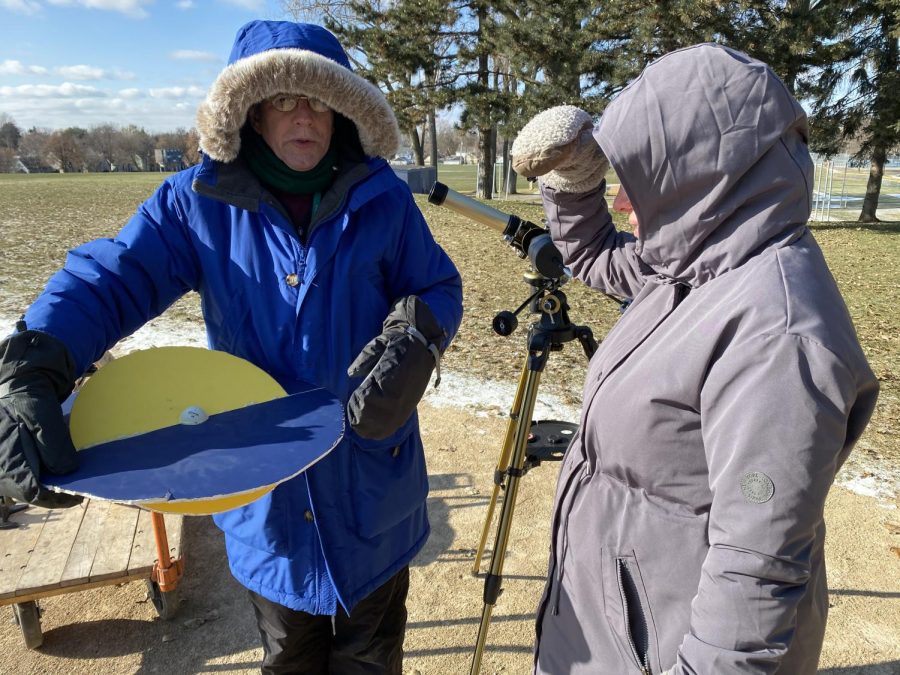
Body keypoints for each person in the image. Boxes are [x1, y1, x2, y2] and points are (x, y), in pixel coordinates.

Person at [0, 20, 463, 674]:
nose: (302, 115)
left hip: (374, 489)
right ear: (249, 111)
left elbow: (436, 284)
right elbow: (112, 277)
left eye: (319, 99)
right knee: (288, 657)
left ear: (342, 110)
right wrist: (38, 355)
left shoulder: (382, 197)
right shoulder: (197, 203)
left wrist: (418, 334)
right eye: (282, 98)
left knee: (373, 657)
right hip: (265, 500)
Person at [510, 44, 879, 674]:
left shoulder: (777, 335)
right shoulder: (694, 263)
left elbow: (755, 571)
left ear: (699, 171)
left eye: (642, 170)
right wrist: (576, 182)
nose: (624, 194)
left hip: (660, 649)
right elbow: (598, 256)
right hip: (618, 628)